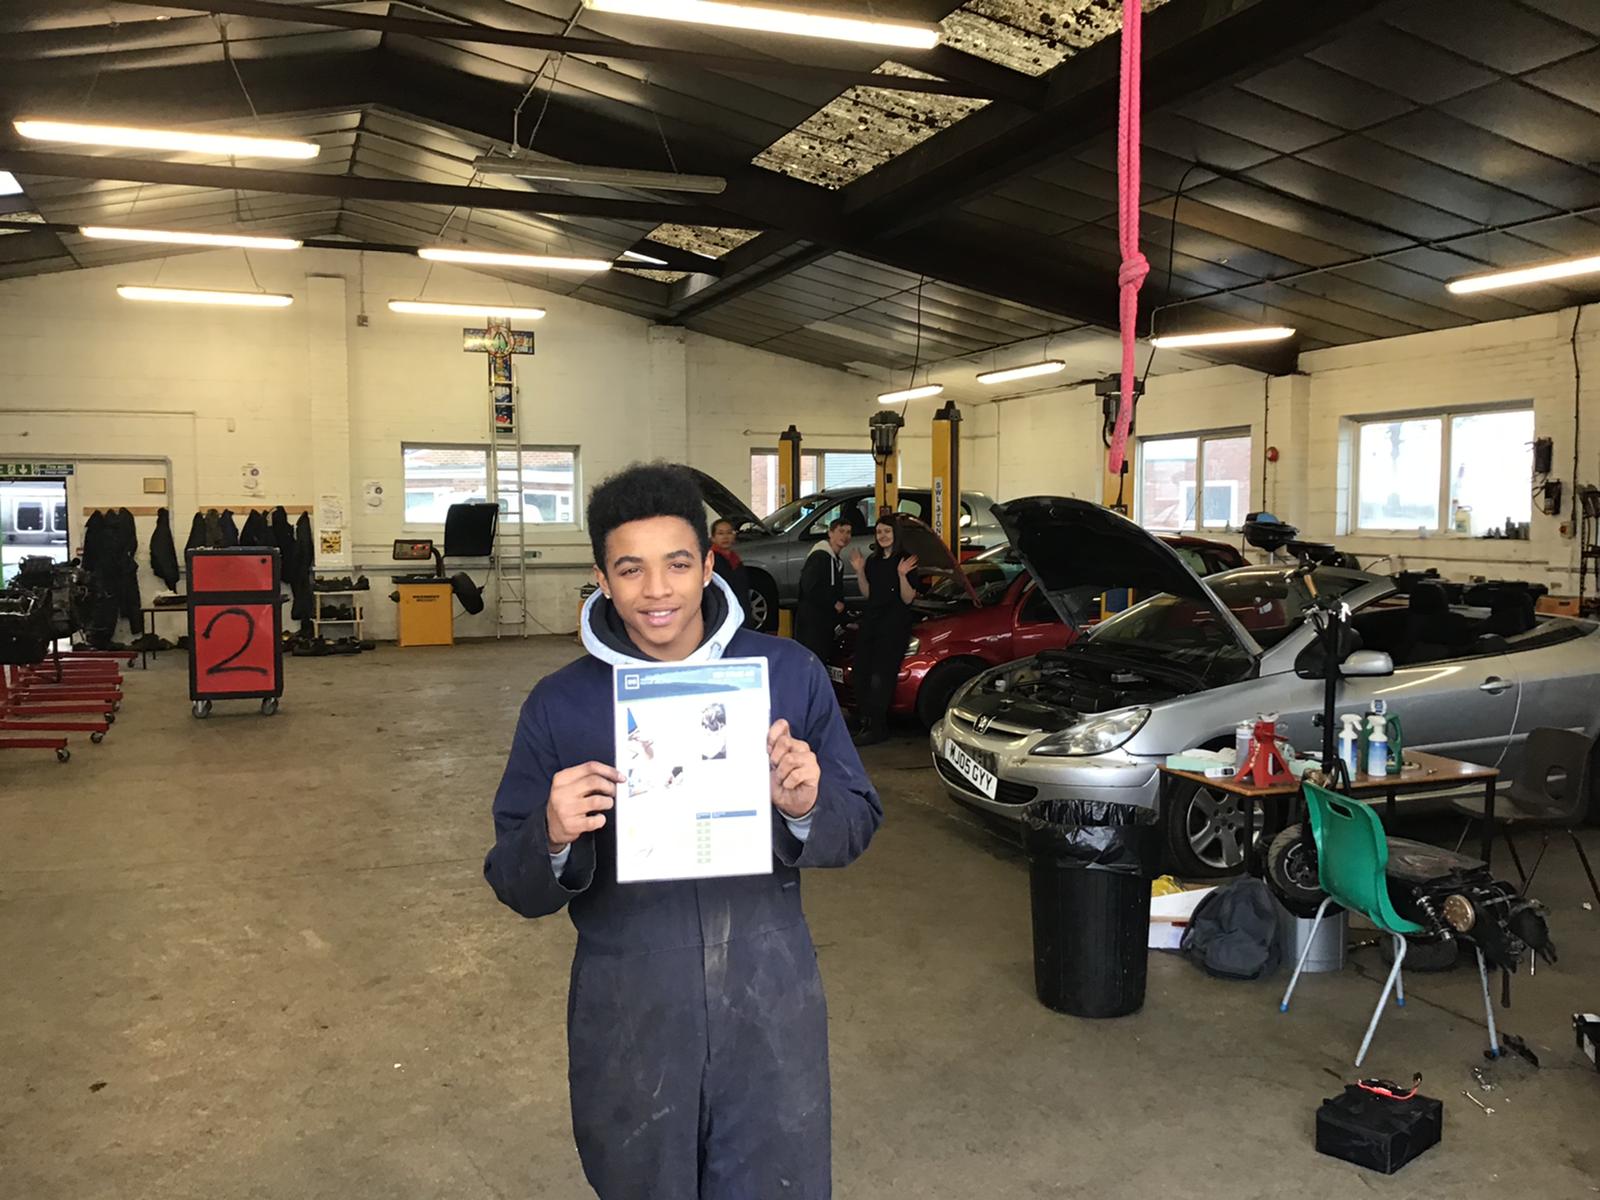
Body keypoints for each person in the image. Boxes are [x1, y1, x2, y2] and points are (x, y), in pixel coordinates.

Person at [483, 462, 882, 1199]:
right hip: (631, 1013)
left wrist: (804, 808)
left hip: (769, 1002)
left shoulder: (786, 676)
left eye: (676, 564)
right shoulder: (561, 706)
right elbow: (512, 880)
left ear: (708, 565)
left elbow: (857, 821)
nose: (657, 590)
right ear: (602, 578)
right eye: (631, 569)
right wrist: (551, 835)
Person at [848, 513, 921, 746]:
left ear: (895, 534)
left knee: (881, 676)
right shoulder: (873, 561)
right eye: (879, 532)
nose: (882, 536)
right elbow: (867, 593)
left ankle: (878, 727)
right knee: (860, 672)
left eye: (887, 531)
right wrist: (859, 570)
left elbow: (908, 598)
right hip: (872, 621)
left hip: (893, 624)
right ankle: (865, 720)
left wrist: (901, 575)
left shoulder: (906, 560)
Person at [794, 516, 853, 661]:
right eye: (841, 531)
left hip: (822, 623)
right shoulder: (819, 557)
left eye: (848, 532)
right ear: (830, 533)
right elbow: (809, 587)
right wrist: (833, 603)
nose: (845, 536)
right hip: (812, 624)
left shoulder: (837, 561)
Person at [709, 517, 757, 628]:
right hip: (721, 615)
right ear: (713, 538)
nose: (725, 537)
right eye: (720, 533)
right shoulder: (710, 560)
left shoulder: (736, 559)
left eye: (729, 533)